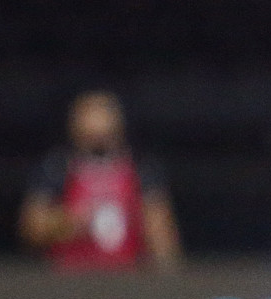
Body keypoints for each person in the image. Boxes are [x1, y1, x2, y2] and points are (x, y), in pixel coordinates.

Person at [20, 90, 182, 272]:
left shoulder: (142, 169)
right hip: (68, 278)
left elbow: (161, 235)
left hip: (128, 278)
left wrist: (166, 275)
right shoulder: (55, 168)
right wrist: (69, 222)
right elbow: (32, 228)